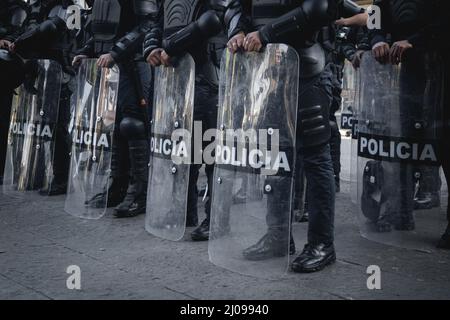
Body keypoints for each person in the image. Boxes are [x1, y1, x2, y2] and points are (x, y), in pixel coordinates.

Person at [227, 0, 365, 273]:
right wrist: (237, 32)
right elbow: (238, 8)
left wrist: (264, 34)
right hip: (268, 71)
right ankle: (278, 235)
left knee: (315, 157)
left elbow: (318, 7)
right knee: (275, 156)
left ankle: (321, 244)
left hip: (308, 67)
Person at [143, 0, 244, 239]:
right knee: (182, 151)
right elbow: (158, 23)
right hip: (177, 75)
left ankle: (216, 219)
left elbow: (214, 19)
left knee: (211, 155)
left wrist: (170, 46)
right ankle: (184, 211)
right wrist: (151, 48)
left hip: (207, 76)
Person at [369, 0, 450, 246]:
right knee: (406, 141)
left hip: (442, 63)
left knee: (443, 141)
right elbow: (375, 16)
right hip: (408, 66)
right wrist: (377, 40)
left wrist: (414, 39)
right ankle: (400, 210)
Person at [74, 0, 157, 218]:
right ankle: (118, 185)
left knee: (133, 125)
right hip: (112, 68)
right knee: (116, 125)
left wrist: (116, 52)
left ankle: (139, 191)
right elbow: (104, 29)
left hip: (134, 65)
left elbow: (146, 25)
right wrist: (87, 50)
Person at [7, 0, 77, 195]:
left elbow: (65, 33)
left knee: (58, 126)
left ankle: (61, 177)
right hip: (37, 70)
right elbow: (27, 30)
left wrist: (24, 41)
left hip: (60, 72)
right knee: (37, 125)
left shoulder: (72, 9)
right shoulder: (36, 7)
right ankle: (34, 173)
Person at [0, 0, 28, 185]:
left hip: (4, 71)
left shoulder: (17, 7)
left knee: (2, 119)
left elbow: (16, 33)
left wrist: (7, 39)